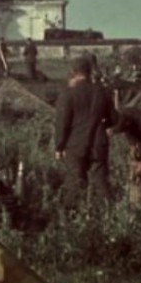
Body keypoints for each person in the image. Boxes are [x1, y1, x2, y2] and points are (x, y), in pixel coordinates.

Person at [54, 57, 118, 209]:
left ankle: (70, 219)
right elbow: (114, 119)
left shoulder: (67, 94)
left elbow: (62, 124)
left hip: (75, 145)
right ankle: (111, 216)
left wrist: (59, 147)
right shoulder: (102, 92)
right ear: (89, 72)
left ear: (73, 72)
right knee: (101, 182)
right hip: (99, 144)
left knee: (75, 183)